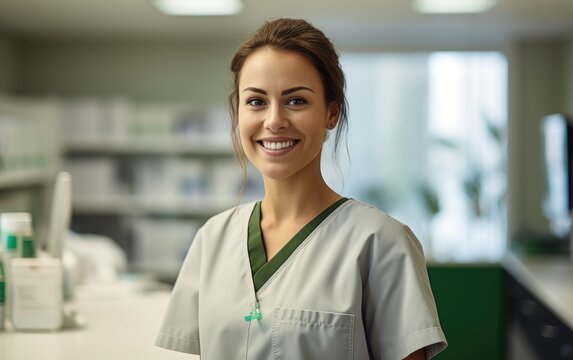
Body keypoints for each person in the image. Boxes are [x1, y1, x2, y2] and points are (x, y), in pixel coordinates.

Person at [155, 18, 447, 360]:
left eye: (296, 101)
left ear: (331, 113)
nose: (274, 120)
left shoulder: (380, 243)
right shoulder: (212, 239)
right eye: (256, 102)